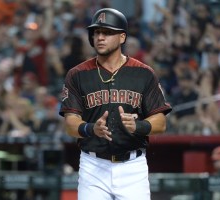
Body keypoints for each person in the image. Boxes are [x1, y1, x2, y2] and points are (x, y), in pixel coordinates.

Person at [59, 8, 172, 200]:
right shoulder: (77, 74)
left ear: (122, 37)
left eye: (107, 32)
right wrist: (90, 128)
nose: (100, 37)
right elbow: (70, 125)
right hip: (93, 166)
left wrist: (140, 126)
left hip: (132, 167)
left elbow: (161, 123)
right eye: (96, 32)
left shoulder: (143, 73)